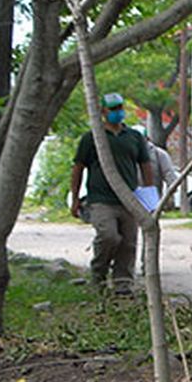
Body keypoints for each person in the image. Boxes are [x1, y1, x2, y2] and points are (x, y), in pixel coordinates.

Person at [70, 92, 156, 295]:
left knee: (128, 242)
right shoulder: (92, 138)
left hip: (128, 199)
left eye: (120, 108)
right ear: (103, 111)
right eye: (113, 109)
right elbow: (78, 168)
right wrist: (75, 198)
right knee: (109, 236)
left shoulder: (134, 137)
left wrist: (149, 197)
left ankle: (123, 284)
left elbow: (145, 165)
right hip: (101, 200)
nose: (118, 112)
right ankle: (98, 274)